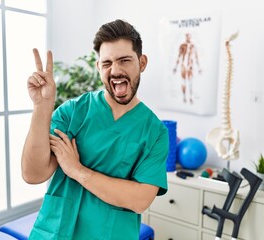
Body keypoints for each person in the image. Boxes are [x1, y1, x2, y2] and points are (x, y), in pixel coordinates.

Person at [21, 19, 169, 240]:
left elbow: (140, 200)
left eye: (125, 60)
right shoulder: (73, 112)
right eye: (107, 63)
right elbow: (33, 174)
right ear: (98, 67)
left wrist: (77, 170)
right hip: (54, 233)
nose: (116, 70)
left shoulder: (154, 132)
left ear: (142, 62)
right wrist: (42, 107)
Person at [173, 32, 202, 104]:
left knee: (190, 82)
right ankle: (184, 97)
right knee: (183, 82)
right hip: (183, 65)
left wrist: (199, 68)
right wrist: (175, 67)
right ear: (186, 37)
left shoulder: (193, 46)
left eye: (189, 37)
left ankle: (191, 97)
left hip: (190, 66)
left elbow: (196, 57)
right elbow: (179, 56)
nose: (188, 38)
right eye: (187, 37)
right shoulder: (182, 46)